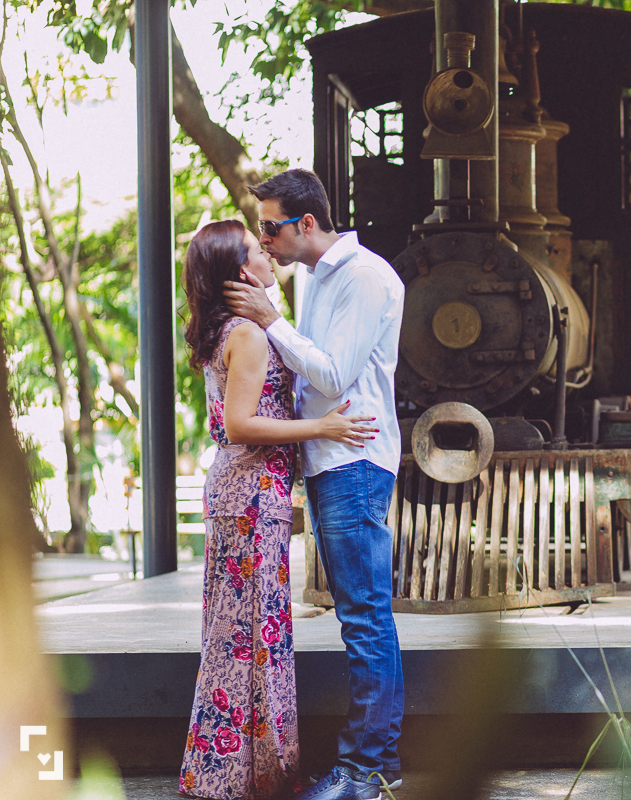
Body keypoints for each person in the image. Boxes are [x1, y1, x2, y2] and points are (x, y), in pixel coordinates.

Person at [179, 220, 378, 800]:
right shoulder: (249, 334)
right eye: (255, 246)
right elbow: (241, 425)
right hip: (248, 493)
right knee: (250, 633)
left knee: (243, 631)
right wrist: (324, 425)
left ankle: (238, 773)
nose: (267, 251)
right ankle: (248, 775)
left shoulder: (236, 328)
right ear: (243, 272)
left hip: (245, 493)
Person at [224, 169, 407, 800]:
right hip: (330, 459)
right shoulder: (317, 276)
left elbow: (331, 376)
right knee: (358, 615)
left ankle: (369, 769)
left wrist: (273, 321)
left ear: (307, 223)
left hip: (354, 463)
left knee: (364, 618)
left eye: (271, 227)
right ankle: (367, 763)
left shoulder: (363, 277)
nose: (263, 238)